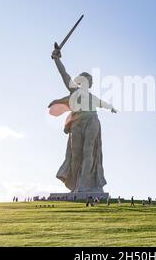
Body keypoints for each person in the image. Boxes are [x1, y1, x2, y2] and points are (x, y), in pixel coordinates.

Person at [49, 45, 117, 193]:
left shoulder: (92, 97)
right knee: (75, 155)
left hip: (92, 121)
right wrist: (56, 59)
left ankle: (84, 185)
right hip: (77, 123)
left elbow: (102, 103)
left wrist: (110, 107)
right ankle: (76, 186)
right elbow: (64, 74)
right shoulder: (75, 90)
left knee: (88, 152)